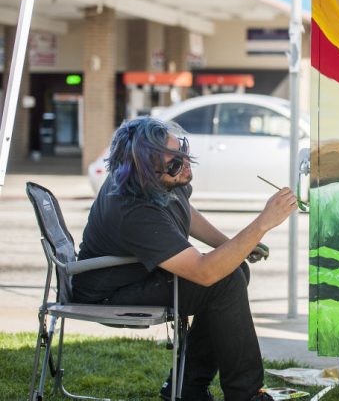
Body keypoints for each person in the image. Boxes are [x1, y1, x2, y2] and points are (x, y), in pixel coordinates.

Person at [72, 116, 297, 401]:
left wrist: (231, 245)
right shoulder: (134, 209)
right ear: (146, 175)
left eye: (182, 151)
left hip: (136, 275)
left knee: (233, 268)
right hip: (108, 295)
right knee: (221, 281)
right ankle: (245, 395)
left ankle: (187, 388)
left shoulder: (160, 177)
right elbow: (204, 273)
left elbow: (185, 212)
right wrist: (262, 223)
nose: (185, 163)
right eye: (174, 165)